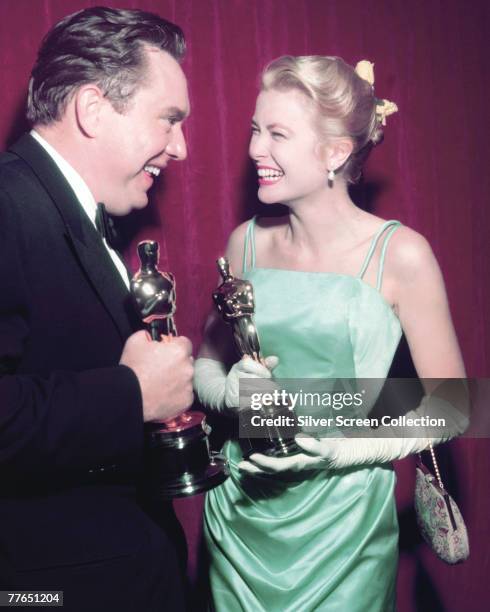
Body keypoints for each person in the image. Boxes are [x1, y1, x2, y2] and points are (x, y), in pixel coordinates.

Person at [194, 56, 467, 611]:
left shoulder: (401, 254)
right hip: (240, 516)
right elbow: (205, 365)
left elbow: (456, 406)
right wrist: (231, 390)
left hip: (345, 534)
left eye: (277, 134)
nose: (254, 151)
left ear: (335, 153)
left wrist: (343, 452)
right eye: (254, 129)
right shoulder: (243, 243)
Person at [0, 7, 194, 611]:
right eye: (168, 120)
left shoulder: (77, 214)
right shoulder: (8, 205)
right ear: (91, 108)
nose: (181, 148)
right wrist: (131, 395)